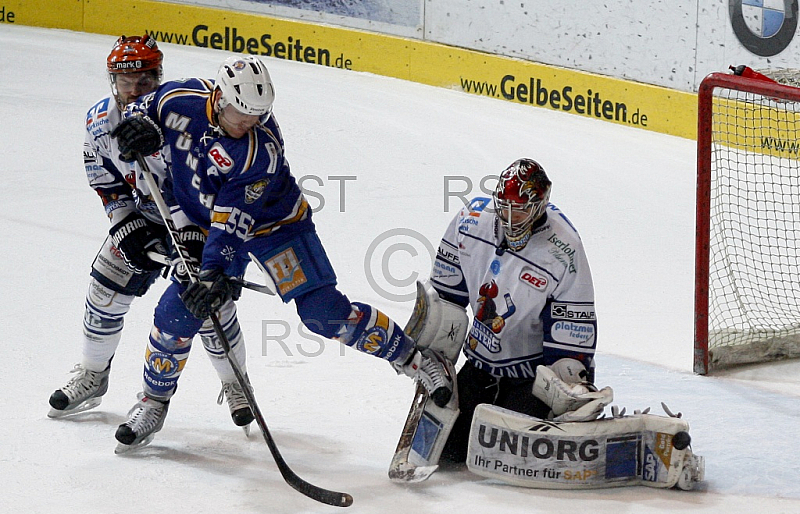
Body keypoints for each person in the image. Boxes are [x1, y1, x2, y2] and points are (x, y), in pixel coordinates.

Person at [108, 55, 452, 449]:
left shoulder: (260, 151)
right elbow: (141, 108)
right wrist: (138, 126)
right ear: (219, 98)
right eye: (242, 114)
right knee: (177, 311)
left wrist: (214, 272)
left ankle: (417, 360)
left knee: (323, 312)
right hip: (204, 222)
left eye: (258, 114)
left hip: (275, 227)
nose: (249, 122)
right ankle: (153, 403)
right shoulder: (177, 99)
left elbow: (232, 223)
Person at [48, 36, 255, 432]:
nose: (133, 91)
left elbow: (196, 186)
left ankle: (235, 382)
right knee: (104, 290)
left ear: (158, 77)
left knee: (208, 306)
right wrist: (125, 223)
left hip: (201, 222)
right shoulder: (98, 121)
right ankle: (93, 374)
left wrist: (192, 237)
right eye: (124, 83)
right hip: (144, 216)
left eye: (143, 82)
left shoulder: (180, 120)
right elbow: (104, 179)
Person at [429, 158, 599, 463]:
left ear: (540, 205)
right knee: (446, 453)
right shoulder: (469, 220)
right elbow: (445, 300)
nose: (510, 218)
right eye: (504, 207)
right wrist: (432, 358)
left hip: (530, 376)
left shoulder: (565, 250)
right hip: (479, 366)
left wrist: (568, 386)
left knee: (516, 460)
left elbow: (570, 331)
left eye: (519, 209)